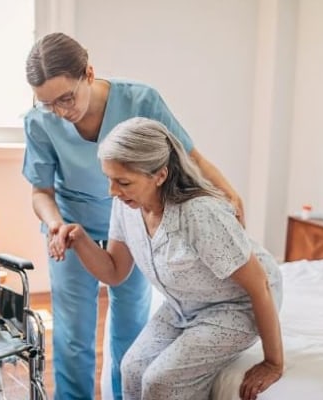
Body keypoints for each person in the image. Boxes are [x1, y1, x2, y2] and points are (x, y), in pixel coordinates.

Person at [23, 32, 245, 399]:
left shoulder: (140, 100)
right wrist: (56, 225)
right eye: (49, 105)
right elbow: (40, 191)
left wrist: (229, 194)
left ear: (88, 74)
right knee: (73, 335)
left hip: (132, 227)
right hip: (71, 229)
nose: (61, 111)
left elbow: (190, 157)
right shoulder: (38, 122)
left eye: (67, 97)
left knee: (131, 327)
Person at [50, 117, 283, 400]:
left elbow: (259, 284)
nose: (112, 191)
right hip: (184, 303)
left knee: (161, 381)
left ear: (159, 175)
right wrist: (81, 240)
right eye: (109, 179)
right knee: (132, 368)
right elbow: (114, 272)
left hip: (236, 304)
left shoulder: (199, 213)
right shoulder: (126, 207)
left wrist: (273, 363)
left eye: (123, 182)